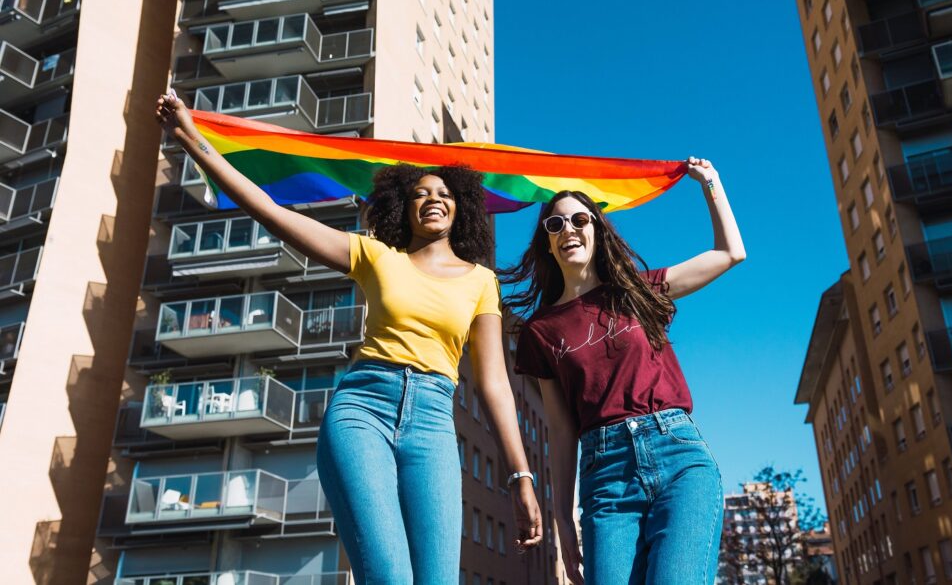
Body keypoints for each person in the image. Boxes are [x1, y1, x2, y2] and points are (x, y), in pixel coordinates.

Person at [155, 95, 542, 583]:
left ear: (462, 207)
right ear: (404, 207)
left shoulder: (480, 281)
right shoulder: (378, 257)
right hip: (363, 410)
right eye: (421, 193)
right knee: (389, 577)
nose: (433, 199)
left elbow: (495, 385)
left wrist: (520, 476)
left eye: (444, 192)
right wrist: (192, 139)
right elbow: (275, 213)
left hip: (433, 423)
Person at [501, 157, 744, 585]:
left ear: (596, 228)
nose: (568, 230)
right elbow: (561, 432)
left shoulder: (638, 290)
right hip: (605, 477)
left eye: (579, 219)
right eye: (555, 225)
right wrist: (562, 521)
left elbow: (730, 253)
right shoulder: (541, 331)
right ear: (547, 241)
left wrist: (711, 182)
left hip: (679, 458)